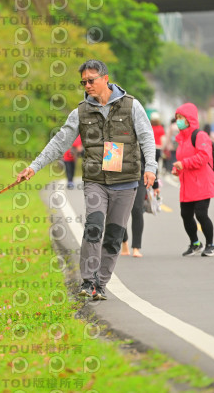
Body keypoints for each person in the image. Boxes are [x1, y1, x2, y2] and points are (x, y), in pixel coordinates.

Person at [16, 59, 157, 300]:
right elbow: (59, 142)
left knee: (113, 235)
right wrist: (34, 167)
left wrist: (151, 167)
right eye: (83, 82)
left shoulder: (131, 106)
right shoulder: (80, 112)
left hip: (125, 181)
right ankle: (87, 281)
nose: (87, 85)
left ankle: (101, 284)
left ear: (105, 78)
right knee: (93, 227)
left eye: (91, 80)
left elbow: (146, 137)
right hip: (95, 181)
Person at [172, 103, 214, 257]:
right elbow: (183, 159)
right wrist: (178, 169)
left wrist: (183, 164)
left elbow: (204, 156)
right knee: (185, 215)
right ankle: (195, 243)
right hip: (187, 184)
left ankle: (211, 245)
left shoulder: (200, 136)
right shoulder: (182, 139)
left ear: (189, 119)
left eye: (181, 118)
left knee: (201, 214)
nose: (178, 121)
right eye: (177, 118)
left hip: (202, 183)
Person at [120, 153, 160, 258]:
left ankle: (136, 247)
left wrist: (155, 184)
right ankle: (124, 242)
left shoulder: (142, 136)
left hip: (140, 176)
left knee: (137, 209)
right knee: (119, 212)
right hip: (119, 177)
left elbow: (151, 157)